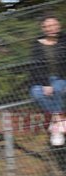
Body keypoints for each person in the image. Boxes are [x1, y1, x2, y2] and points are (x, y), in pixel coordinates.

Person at [29, 15, 66, 146]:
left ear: (59, 26)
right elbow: (35, 67)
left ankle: (56, 130)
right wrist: (45, 84)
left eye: (54, 25)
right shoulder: (37, 45)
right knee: (36, 93)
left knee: (57, 88)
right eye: (48, 26)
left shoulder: (64, 41)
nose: (52, 28)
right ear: (43, 28)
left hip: (61, 78)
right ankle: (59, 121)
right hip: (41, 80)